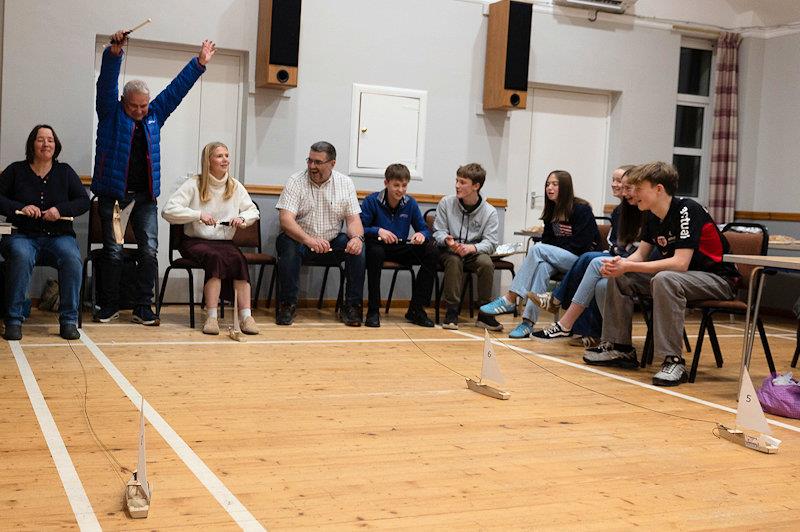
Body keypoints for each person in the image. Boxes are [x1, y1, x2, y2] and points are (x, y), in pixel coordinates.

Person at [92, 29, 217, 326]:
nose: (139, 111)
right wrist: (114, 53)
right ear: (124, 101)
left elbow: (176, 90)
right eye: (133, 105)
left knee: (149, 252)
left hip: (145, 196)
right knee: (113, 251)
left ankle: (143, 307)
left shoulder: (154, 115)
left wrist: (199, 63)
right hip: (114, 198)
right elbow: (105, 84)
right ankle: (108, 305)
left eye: (143, 106)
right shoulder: (110, 112)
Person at [583, 161, 740, 387]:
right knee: (620, 276)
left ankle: (673, 360)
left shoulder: (688, 209)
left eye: (639, 188)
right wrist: (620, 264)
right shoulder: (651, 215)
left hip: (717, 279)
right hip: (682, 278)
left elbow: (680, 263)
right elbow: (639, 256)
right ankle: (620, 348)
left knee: (665, 278)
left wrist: (629, 266)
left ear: (658, 189)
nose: (633, 193)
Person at [479, 170, 600, 338]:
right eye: (547, 184)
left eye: (555, 184)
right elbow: (549, 240)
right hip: (559, 259)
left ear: (565, 187)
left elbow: (581, 245)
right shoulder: (552, 210)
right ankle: (527, 323)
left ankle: (510, 298)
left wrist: (554, 251)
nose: (549, 188)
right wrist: (553, 253)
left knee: (538, 249)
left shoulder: (581, 209)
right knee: (542, 266)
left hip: (581, 262)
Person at [530, 165, 642, 343]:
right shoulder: (619, 211)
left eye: (621, 182)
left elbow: (582, 244)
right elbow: (615, 243)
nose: (615, 185)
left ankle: (553, 302)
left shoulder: (581, 209)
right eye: (613, 180)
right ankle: (533, 321)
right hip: (611, 258)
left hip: (612, 261)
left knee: (586, 259)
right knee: (547, 264)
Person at [0, 125, 90, 340]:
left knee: (71, 257)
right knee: (21, 256)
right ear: (32, 144)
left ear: (56, 145)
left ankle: (68, 320)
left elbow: (83, 201)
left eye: (50, 140)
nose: (46, 144)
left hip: (58, 237)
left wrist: (60, 210)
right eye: (41, 139)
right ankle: (13, 319)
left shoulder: (65, 171)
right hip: (21, 235)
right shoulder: (15, 170)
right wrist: (20, 207)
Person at [162, 142, 260, 335]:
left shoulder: (234, 186)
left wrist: (242, 219)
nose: (225, 160)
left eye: (226, 155)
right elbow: (168, 210)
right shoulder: (194, 184)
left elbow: (252, 211)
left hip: (223, 241)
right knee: (215, 258)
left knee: (239, 259)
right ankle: (212, 317)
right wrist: (198, 215)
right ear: (208, 161)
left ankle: (246, 316)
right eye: (219, 156)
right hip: (196, 241)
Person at [275, 141, 365, 326]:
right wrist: (308, 240)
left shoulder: (345, 183)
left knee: (357, 249)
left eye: (317, 162)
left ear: (332, 163)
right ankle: (288, 304)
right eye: (310, 161)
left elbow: (353, 220)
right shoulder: (296, 181)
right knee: (287, 245)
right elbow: (286, 220)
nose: (311, 166)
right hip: (300, 239)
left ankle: (352, 306)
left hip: (331, 241)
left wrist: (356, 238)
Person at [360, 163, 438, 328]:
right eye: (396, 185)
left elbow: (424, 229)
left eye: (404, 185)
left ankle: (416, 309)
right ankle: (373, 310)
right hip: (377, 246)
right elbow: (360, 229)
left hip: (400, 247)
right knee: (375, 253)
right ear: (386, 183)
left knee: (431, 250)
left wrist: (421, 235)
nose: (401, 190)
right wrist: (378, 230)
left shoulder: (410, 203)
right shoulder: (371, 201)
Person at [433, 163, 500, 331]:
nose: (457, 185)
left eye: (462, 182)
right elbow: (438, 231)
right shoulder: (446, 203)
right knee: (454, 261)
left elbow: (491, 243)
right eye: (457, 180)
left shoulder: (489, 211)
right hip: (450, 251)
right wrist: (446, 239)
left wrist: (472, 248)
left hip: (473, 252)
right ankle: (452, 312)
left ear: (476, 186)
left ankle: (485, 313)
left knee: (486, 263)